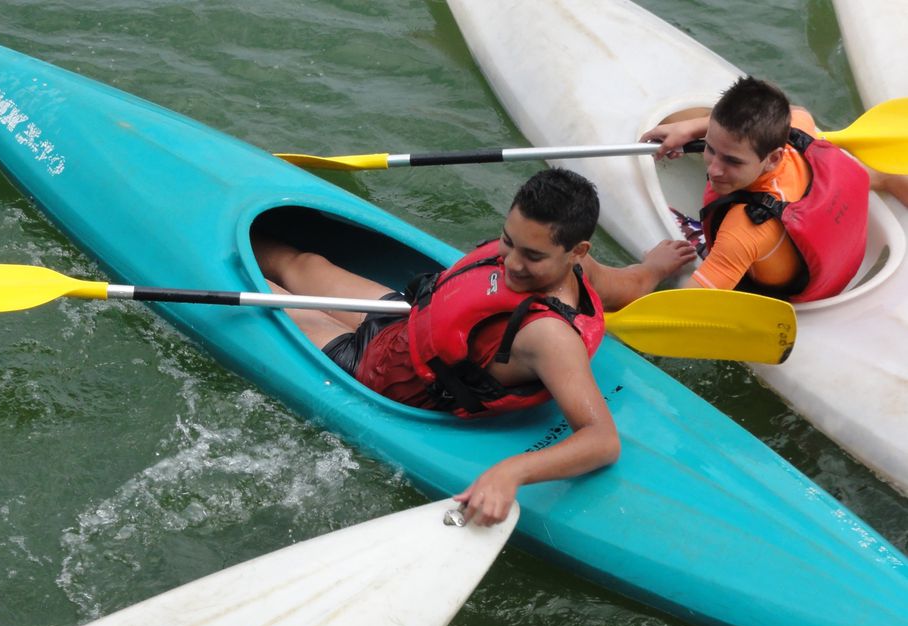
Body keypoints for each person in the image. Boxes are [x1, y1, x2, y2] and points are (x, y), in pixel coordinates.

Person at [253, 168, 694, 526]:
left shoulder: (550, 337)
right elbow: (631, 284)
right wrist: (655, 267)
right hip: (404, 326)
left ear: (577, 252)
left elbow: (601, 440)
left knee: (268, 295)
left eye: (534, 257)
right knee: (302, 263)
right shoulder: (563, 260)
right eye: (508, 241)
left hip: (379, 375)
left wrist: (511, 471)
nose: (512, 264)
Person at [640, 76, 908, 301]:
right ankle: (883, 179)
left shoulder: (744, 229)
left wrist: (652, 270)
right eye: (710, 149)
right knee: (832, 163)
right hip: (838, 248)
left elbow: (684, 308)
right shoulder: (799, 132)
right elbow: (797, 111)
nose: (713, 169)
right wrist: (693, 126)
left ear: (774, 158)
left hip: (791, 289)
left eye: (732, 160)